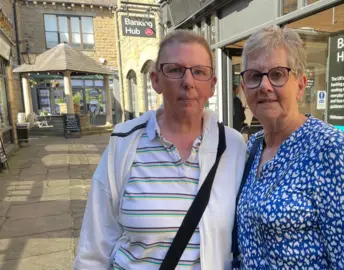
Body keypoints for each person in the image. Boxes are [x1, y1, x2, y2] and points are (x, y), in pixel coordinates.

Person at [74, 30, 247, 269]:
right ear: (156, 80)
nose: (188, 82)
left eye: (199, 72)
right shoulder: (125, 143)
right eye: (175, 70)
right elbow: (94, 247)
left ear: (212, 85)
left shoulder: (232, 146)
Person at [235, 26, 344, 269]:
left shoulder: (329, 148)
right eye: (254, 76)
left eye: (277, 74)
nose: (264, 86)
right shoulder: (253, 147)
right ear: (245, 88)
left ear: (300, 85)